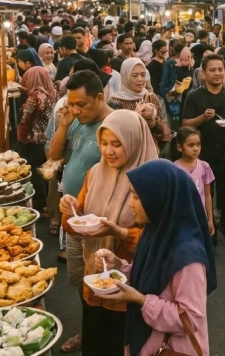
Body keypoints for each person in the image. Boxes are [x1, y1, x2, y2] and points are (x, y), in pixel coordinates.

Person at [59, 110, 158, 356]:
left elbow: (156, 240)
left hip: (132, 287)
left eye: (117, 144)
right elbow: (74, 223)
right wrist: (68, 209)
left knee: (121, 346)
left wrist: (121, 232)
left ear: (134, 141)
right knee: (95, 344)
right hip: (96, 281)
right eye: (103, 143)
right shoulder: (95, 173)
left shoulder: (152, 180)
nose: (108, 151)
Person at [93, 160, 216, 356]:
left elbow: (191, 320)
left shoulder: (188, 256)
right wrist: (118, 266)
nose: (130, 204)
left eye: (136, 197)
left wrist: (141, 300)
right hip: (147, 342)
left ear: (159, 198)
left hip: (171, 349)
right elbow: (149, 274)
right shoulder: (156, 230)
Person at [47, 70, 112, 352]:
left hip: (102, 223)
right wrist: (63, 125)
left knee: (105, 280)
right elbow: (53, 156)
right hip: (74, 219)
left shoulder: (114, 126)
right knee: (81, 283)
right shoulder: (75, 122)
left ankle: (103, 336)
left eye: (81, 105)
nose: (75, 110)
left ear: (99, 98)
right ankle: (89, 330)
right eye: (71, 104)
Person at [181, 55, 225, 244]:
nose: (218, 73)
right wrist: (202, 118)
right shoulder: (194, 96)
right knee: (203, 194)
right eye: (213, 70)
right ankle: (208, 229)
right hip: (202, 153)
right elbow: (185, 123)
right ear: (203, 73)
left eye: (220, 69)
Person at [17, 66, 57, 210]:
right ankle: (49, 202)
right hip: (46, 137)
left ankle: (40, 203)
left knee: (34, 171)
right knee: (45, 170)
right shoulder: (51, 93)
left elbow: (25, 118)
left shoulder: (33, 97)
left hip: (32, 139)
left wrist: (21, 136)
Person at [107, 58, 170, 143]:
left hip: (151, 151)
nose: (140, 79)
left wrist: (152, 122)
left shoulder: (151, 98)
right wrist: (134, 118)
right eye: (135, 75)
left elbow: (162, 132)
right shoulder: (114, 101)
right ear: (125, 76)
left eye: (143, 75)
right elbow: (114, 132)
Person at [172, 127, 215, 236]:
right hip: (182, 220)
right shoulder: (174, 169)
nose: (196, 148)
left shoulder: (204, 166)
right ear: (180, 148)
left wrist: (210, 219)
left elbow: (207, 195)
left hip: (200, 218)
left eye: (198, 144)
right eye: (191, 145)